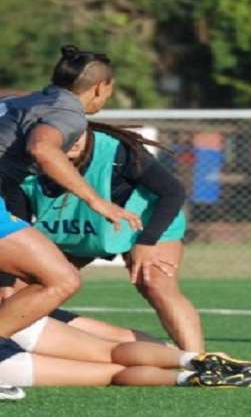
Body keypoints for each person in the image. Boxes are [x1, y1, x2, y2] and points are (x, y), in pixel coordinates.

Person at [14, 121, 205, 351]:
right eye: (62, 134)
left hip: (144, 226)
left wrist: (146, 242)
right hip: (77, 230)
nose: (72, 139)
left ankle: (198, 359)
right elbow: (18, 229)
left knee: (154, 284)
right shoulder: (19, 165)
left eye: (76, 131)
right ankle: (150, 349)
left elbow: (173, 192)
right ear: (40, 138)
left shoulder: (117, 151)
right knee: (20, 294)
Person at [0, 45, 142, 345]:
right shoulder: (67, 112)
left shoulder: (20, 102)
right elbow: (42, 148)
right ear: (101, 87)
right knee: (61, 279)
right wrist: (97, 201)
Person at [0, 309, 251, 388]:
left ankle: (190, 378)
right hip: (11, 314)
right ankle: (192, 359)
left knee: (111, 374)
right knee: (110, 350)